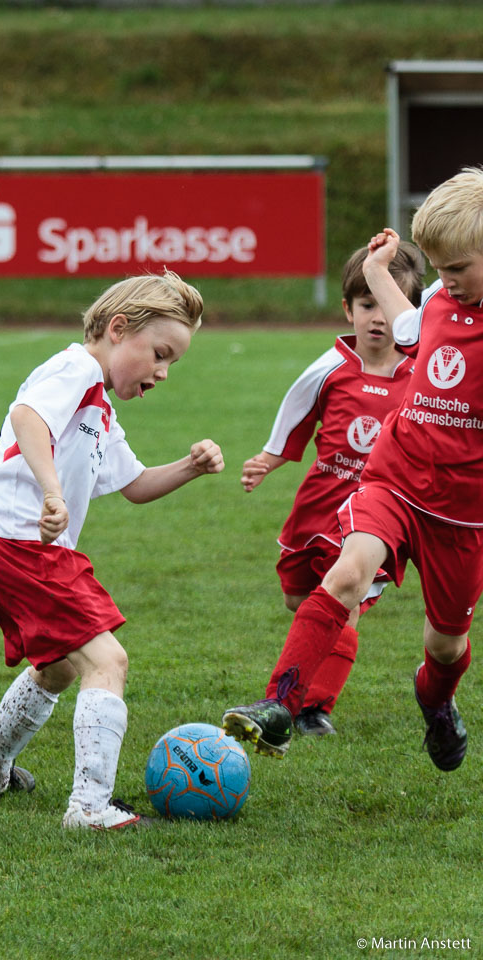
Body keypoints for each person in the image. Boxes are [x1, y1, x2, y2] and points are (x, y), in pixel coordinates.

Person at [223, 165, 483, 772]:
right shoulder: (442, 302)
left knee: (446, 646)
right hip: (394, 480)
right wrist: (374, 266)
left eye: (458, 269)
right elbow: (408, 320)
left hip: (463, 515)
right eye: (438, 269)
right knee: (344, 575)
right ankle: (278, 706)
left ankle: (437, 702)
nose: (443, 282)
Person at [0, 269, 224, 829]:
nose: (164, 372)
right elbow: (29, 417)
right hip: (19, 543)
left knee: (57, 669)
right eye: (160, 354)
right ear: (119, 329)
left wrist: (190, 467)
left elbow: (136, 484)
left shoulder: (99, 410)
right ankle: (90, 807)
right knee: (107, 661)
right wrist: (52, 492)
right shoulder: (74, 368)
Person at [240, 242, 424, 737]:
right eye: (367, 305)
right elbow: (296, 416)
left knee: (347, 599)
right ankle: (305, 677)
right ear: (348, 308)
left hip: (378, 515)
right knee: (300, 601)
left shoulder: (421, 376)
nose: (378, 318)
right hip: (318, 506)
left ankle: (312, 708)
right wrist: (269, 458)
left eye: (387, 305)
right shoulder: (329, 368)